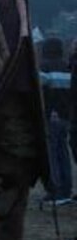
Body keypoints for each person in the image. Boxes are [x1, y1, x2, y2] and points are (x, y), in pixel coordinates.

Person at [39, 36, 72, 204]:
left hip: (50, 117)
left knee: (51, 154)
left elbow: (41, 93)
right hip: (66, 117)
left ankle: (55, 190)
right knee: (63, 152)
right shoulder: (68, 68)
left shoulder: (44, 67)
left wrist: (50, 111)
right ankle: (67, 189)